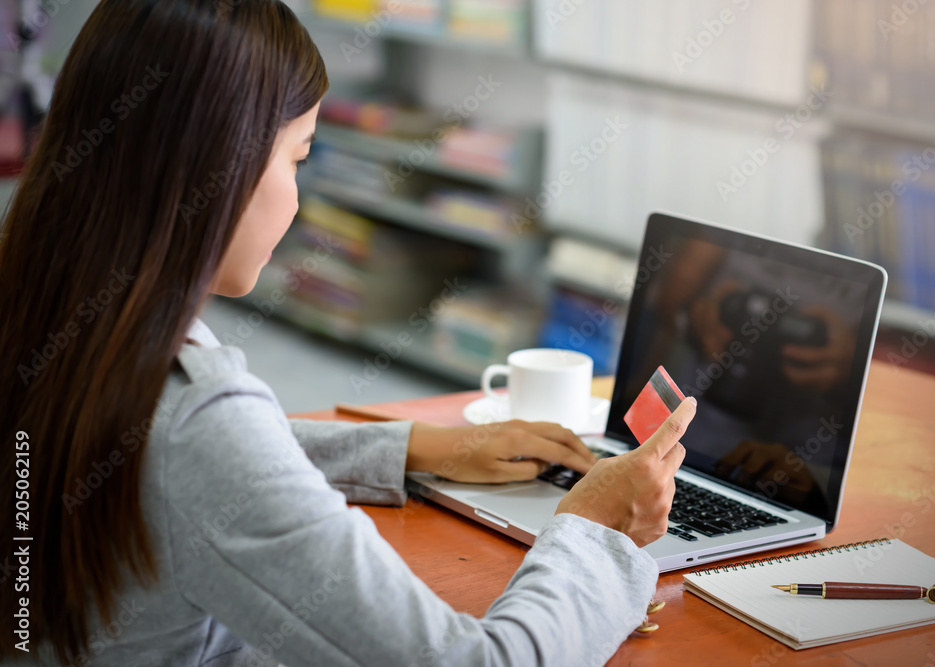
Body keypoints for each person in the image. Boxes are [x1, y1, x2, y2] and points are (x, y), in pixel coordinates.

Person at [0, 1, 695, 665]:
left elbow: (162, 455)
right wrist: (590, 528)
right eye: (297, 157)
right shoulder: (194, 421)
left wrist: (417, 447)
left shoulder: (49, 312)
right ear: (219, 163)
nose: (298, 199)